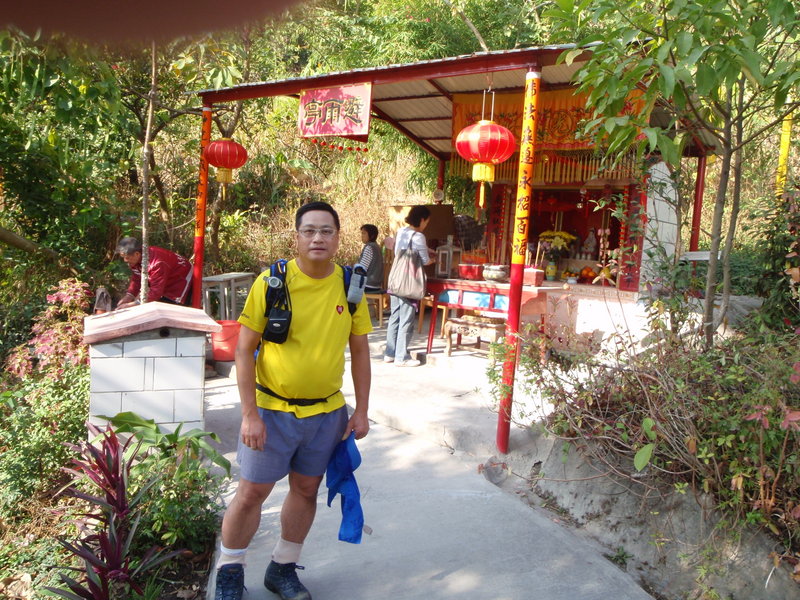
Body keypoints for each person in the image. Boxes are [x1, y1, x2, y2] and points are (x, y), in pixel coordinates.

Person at [213, 201, 372, 600]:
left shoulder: (350, 286)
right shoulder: (272, 282)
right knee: (252, 493)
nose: (318, 238)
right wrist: (249, 414)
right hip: (271, 411)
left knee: (305, 489)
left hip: (326, 413)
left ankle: (282, 568)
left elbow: (361, 351)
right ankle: (230, 570)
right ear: (297, 236)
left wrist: (362, 410)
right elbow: (243, 349)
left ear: (338, 238)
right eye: (310, 231)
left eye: (326, 231)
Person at [383, 205, 435, 368]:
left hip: (395, 279)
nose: (426, 225)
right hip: (408, 282)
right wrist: (433, 259)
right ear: (422, 219)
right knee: (406, 319)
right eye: (427, 221)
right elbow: (425, 260)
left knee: (395, 316)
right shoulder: (419, 236)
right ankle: (401, 357)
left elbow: (401, 250)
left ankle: (390, 353)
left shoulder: (401, 232)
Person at [115, 237, 193, 309]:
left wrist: (133, 304)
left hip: (180, 279)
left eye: (127, 257)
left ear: (137, 254)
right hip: (165, 279)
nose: (125, 260)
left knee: (170, 309)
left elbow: (156, 292)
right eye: (123, 258)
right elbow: (137, 279)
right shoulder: (136, 259)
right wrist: (128, 296)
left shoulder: (157, 264)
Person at [357, 224, 384, 293]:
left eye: (364, 233)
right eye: (361, 233)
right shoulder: (376, 247)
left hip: (368, 284)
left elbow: (362, 268)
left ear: (372, 235)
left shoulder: (369, 247)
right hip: (376, 284)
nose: (362, 236)